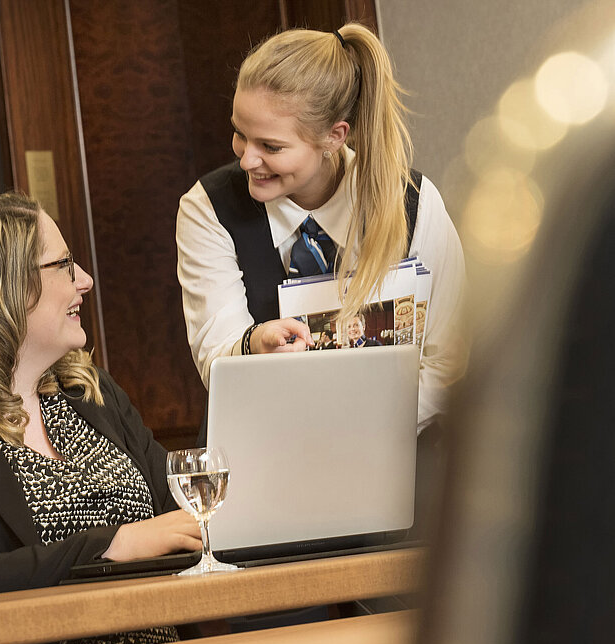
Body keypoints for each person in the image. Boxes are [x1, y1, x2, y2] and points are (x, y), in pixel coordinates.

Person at [0, 193, 201, 644]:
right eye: (64, 265)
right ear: (5, 287)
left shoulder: (91, 391)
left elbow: (184, 511)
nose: (85, 280)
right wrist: (114, 545)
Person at [177, 23, 465, 435]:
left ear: (334, 136)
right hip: (263, 452)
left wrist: (356, 426)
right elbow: (217, 359)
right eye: (240, 134)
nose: (246, 160)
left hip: (400, 455)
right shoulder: (207, 209)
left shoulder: (413, 204)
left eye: (271, 147)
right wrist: (253, 344)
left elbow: (450, 360)